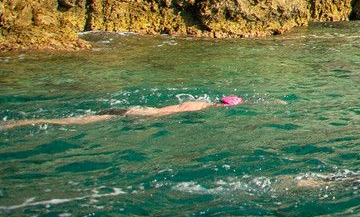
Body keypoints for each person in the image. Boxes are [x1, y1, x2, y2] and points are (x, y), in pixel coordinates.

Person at [2, 95, 242, 129]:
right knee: (73, 122)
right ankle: (21, 123)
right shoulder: (199, 108)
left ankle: (23, 122)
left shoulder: (197, 101)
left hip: (132, 109)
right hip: (132, 115)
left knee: (77, 119)